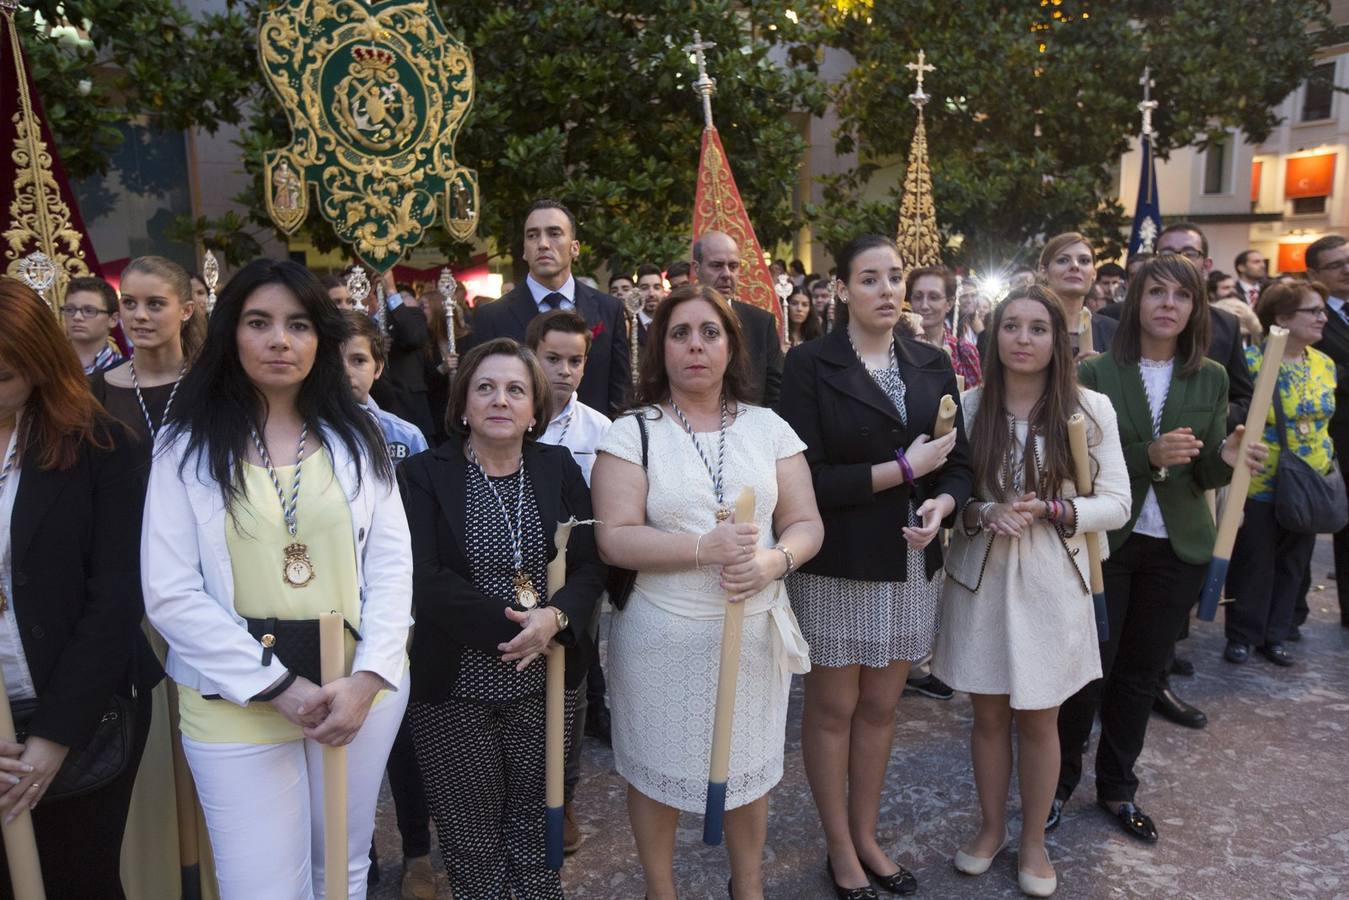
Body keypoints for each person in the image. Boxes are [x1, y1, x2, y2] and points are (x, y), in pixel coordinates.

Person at [141, 259, 412, 899]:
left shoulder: (357, 437)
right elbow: (170, 594)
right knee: (260, 886)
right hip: (235, 701)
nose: (279, 341)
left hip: (353, 695)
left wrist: (370, 677)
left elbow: (392, 565)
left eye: (297, 325)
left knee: (339, 873)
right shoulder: (184, 449)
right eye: (258, 322)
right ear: (231, 332)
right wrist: (278, 687)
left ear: (320, 338)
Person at [593, 283, 823, 900]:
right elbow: (614, 539)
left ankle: (747, 887)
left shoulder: (769, 427)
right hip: (661, 634)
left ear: (731, 347)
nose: (696, 345)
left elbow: (806, 523)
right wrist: (703, 549)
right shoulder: (632, 431)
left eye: (709, 333)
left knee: (750, 775)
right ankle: (660, 890)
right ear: (660, 349)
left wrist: (774, 561)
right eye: (680, 333)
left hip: (750, 632)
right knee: (655, 774)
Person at [777, 235, 972, 899]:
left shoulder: (931, 361)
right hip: (838, 558)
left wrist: (943, 499)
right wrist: (902, 471)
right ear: (841, 290)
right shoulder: (808, 365)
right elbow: (803, 478)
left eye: (894, 277)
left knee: (883, 707)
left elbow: (960, 461)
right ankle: (838, 844)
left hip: (912, 559)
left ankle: (865, 833)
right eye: (869, 279)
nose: (887, 290)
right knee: (833, 707)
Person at [1054, 256, 1263, 848]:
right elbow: (1078, 464)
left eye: (1181, 295)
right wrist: (1148, 454)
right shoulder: (1095, 371)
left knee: (1142, 675)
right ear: (1136, 302)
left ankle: (1118, 786)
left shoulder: (1213, 378)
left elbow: (1203, 474)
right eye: (1156, 292)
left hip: (1178, 545)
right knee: (1089, 673)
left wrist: (1224, 458)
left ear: (1196, 308)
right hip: (1108, 543)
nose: (1168, 304)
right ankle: (1061, 784)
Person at [933, 284, 1129, 897]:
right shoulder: (967, 408)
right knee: (988, 715)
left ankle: (1036, 842)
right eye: (1011, 326)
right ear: (994, 337)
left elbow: (1118, 503)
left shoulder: (1088, 409)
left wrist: (1054, 507)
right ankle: (990, 830)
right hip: (983, 577)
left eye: (1037, 328)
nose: (1022, 339)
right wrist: (982, 513)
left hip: (1051, 577)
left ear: (1057, 339)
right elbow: (949, 493)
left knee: (1040, 717)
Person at [398, 337, 603, 899]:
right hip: (454, 684)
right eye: (484, 387)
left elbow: (591, 564)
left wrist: (555, 619)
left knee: (538, 832)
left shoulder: (557, 466)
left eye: (516, 390)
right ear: (462, 403)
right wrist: (518, 630)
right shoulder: (423, 473)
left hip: (546, 679)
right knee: (472, 844)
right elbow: (423, 575)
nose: (500, 400)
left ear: (535, 409)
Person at [0, 278, 158, 898]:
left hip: (84, 706)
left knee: (77, 879)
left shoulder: (102, 447)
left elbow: (117, 595)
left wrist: (54, 736)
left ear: (40, 365)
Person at [525, 309, 611, 851]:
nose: (563, 371)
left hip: (576, 577)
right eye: (552, 358)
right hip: (516, 571)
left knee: (572, 689)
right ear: (532, 354)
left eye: (574, 360)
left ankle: (566, 795)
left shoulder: (600, 431)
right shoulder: (508, 412)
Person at [1225, 281, 1337, 666]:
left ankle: (1277, 634)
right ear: (1283, 318)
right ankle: (1242, 634)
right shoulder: (1253, 363)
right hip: (1261, 480)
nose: (1323, 318)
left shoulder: (1325, 364)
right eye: (1314, 311)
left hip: (1310, 482)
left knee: (1295, 564)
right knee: (1254, 562)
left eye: (1323, 310)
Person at [464, 199, 631, 415]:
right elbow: (478, 390)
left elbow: (620, 391)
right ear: (524, 250)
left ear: (575, 247)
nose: (543, 244)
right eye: (532, 235)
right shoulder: (492, 316)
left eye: (554, 233)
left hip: (592, 443)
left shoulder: (609, 309)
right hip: (517, 443)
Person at [90, 257, 201, 447]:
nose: (140, 315)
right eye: (129, 303)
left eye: (155, 304)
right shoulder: (95, 391)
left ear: (186, 311)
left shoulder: (213, 383)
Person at [1307, 235, 1349, 630]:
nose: (1347, 270)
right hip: (1336, 439)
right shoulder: (1316, 319)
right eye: (1337, 264)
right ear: (1315, 274)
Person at [691, 231, 784, 406]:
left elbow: (775, 394)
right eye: (717, 265)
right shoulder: (677, 320)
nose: (727, 274)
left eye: (733, 266)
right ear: (697, 268)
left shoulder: (761, 323)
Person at [1037, 232, 1116, 357]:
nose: (1075, 266)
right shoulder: (1027, 328)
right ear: (1043, 272)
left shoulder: (1113, 331)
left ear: (1094, 274)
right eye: (1063, 260)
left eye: (1084, 261)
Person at [906, 266, 981, 389]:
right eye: (918, 297)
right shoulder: (895, 347)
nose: (924, 305)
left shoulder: (964, 351)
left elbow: (973, 403)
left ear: (949, 304)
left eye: (933, 297)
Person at [420, 285, 468, 447]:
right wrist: (442, 369)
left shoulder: (466, 341)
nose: (420, 312)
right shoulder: (426, 345)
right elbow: (424, 382)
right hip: (439, 417)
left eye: (424, 307)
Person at [62, 276, 124, 374]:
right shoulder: (47, 368)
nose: (77, 317)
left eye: (89, 311)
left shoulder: (128, 375)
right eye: (70, 310)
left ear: (113, 319)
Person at [635, 262, 666, 347]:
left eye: (656, 287)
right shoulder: (628, 326)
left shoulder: (671, 322)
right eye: (645, 288)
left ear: (663, 292)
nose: (651, 293)